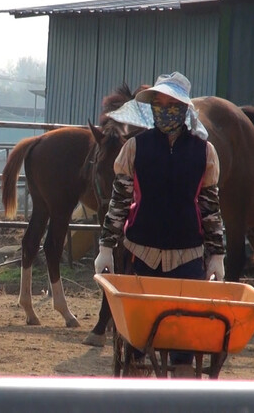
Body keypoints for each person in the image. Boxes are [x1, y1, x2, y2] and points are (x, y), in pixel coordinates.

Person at [94, 71, 225, 377]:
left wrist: (217, 254)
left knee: (184, 343)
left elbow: (210, 208)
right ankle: (139, 392)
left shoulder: (203, 152)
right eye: (159, 103)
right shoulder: (135, 148)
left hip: (188, 260)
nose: (165, 110)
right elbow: (120, 203)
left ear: (184, 109)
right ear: (150, 107)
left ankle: (180, 392)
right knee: (139, 342)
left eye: (172, 104)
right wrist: (105, 247)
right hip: (143, 257)